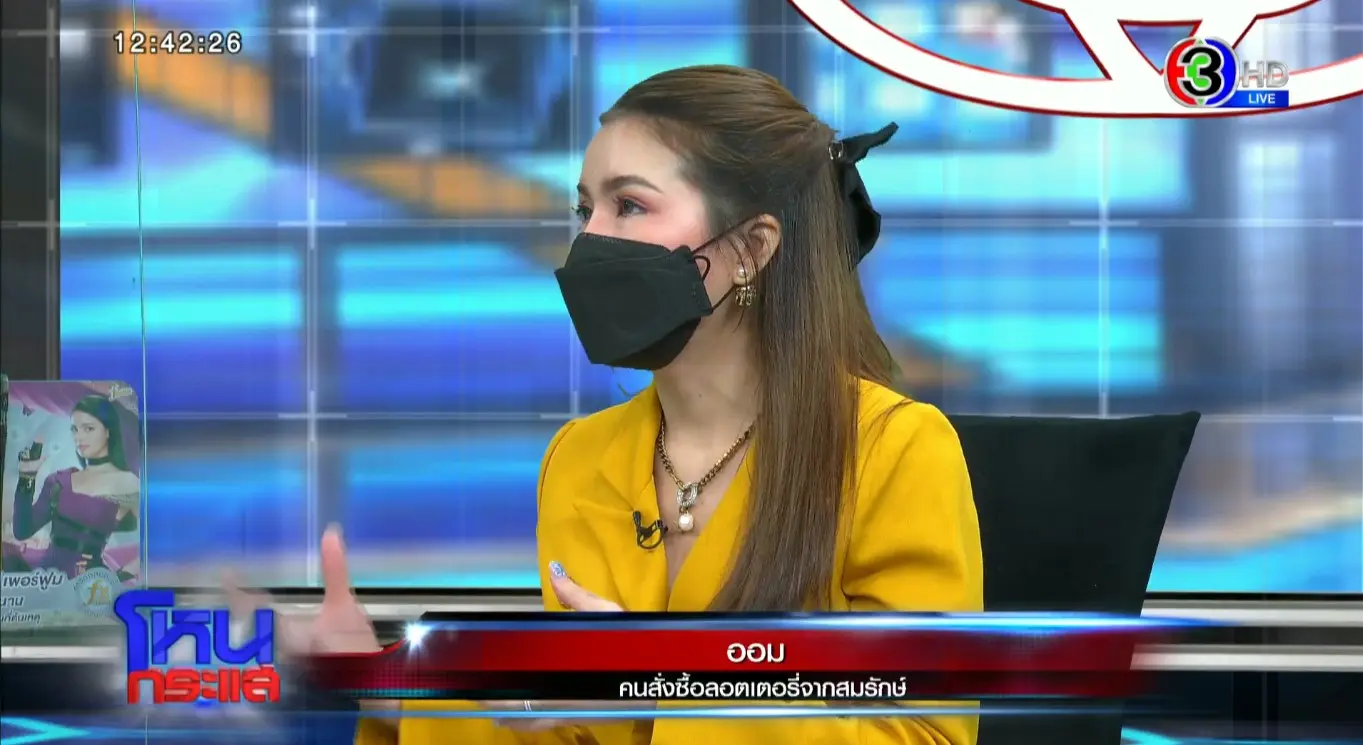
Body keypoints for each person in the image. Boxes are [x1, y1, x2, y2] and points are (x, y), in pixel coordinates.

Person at [229, 65, 983, 745]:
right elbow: (575, 729)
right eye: (584, 208)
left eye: (629, 205)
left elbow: (923, 733)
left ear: (752, 248)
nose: (588, 241)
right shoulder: (579, 458)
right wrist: (383, 685)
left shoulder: (895, 450)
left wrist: (660, 683)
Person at [9, 394, 140, 580]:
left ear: (108, 430)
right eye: (75, 429)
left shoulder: (127, 482)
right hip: (46, 581)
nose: (79, 437)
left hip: (88, 588)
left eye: (88, 429)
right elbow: (22, 531)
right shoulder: (59, 481)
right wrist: (26, 477)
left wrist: (118, 578)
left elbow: (159, 541)